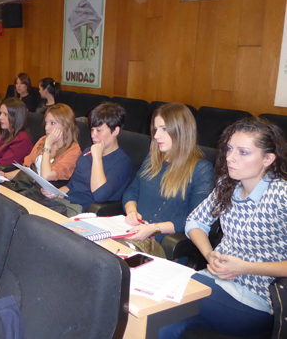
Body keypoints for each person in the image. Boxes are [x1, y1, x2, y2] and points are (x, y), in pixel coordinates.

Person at [158, 118, 287, 339]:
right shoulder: (228, 186)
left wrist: (245, 267)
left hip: (256, 299)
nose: (230, 157)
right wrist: (210, 254)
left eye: (243, 152)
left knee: (171, 292)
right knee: (163, 326)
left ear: (267, 159)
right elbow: (195, 222)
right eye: (229, 148)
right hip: (216, 280)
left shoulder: (281, 195)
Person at [123, 103, 214, 243]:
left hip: (163, 242)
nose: (156, 135)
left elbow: (195, 220)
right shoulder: (152, 159)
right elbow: (132, 191)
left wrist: (154, 228)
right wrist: (131, 212)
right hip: (136, 232)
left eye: (164, 129)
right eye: (155, 129)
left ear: (181, 131)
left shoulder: (201, 169)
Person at [41, 102, 132, 217]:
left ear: (115, 131)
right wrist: (56, 193)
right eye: (92, 130)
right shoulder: (87, 152)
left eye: (99, 130)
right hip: (65, 204)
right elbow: (72, 186)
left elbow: (100, 195)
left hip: (85, 212)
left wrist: (97, 158)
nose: (93, 135)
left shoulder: (122, 162)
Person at [5, 103, 81, 182]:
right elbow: (27, 171)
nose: (46, 127)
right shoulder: (43, 140)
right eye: (46, 122)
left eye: (52, 123)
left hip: (45, 192)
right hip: (29, 186)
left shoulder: (74, 150)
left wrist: (48, 145)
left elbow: (46, 176)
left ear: (66, 125)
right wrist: (4, 176)